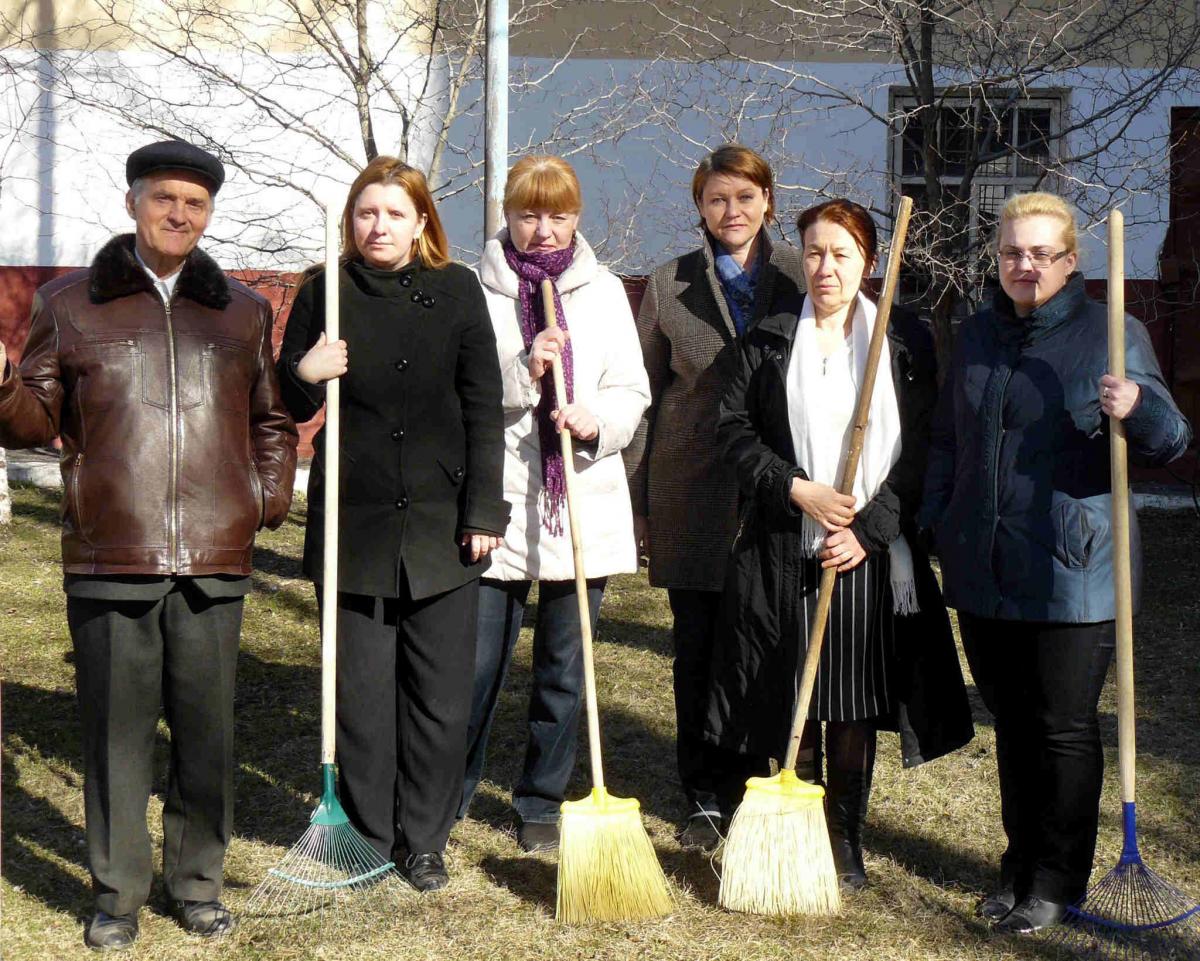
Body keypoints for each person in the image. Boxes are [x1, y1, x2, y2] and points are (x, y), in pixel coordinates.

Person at [0, 140, 298, 950]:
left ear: (209, 214)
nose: (179, 214)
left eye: (195, 203)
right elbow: (35, 422)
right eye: (164, 198)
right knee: (114, 738)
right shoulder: (70, 302)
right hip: (110, 555)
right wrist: (1, 383)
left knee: (208, 735)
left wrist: (264, 498)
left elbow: (270, 418)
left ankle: (196, 883)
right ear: (133, 202)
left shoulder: (241, 310)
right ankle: (117, 894)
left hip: (214, 558)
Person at [918, 192, 1191, 933]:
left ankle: (1057, 876)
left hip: (1075, 571)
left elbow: (1171, 440)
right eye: (1012, 252)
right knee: (1011, 721)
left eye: (1041, 253)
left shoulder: (1112, 333)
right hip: (985, 564)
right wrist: (938, 519)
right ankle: (1018, 863)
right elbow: (946, 437)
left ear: (1071, 262)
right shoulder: (974, 336)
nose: (1025, 264)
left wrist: (1136, 404)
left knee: (1061, 725)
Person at [707, 199, 973, 891]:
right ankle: (801, 827)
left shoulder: (903, 340)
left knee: (849, 700)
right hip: (783, 543)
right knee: (791, 692)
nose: (826, 268)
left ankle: (846, 840)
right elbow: (731, 430)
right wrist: (797, 488)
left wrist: (869, 528)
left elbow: (921, 450)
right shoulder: (767, 338)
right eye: (815, 253)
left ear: (870, 261)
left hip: (863, 553)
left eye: (842, 254)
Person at [276, 157, 509, 891]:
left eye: (395, 213)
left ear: (422, 222)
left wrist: (484, 511)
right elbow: (282, 397)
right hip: (355, 528)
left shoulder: (457, 290)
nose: (379, 226)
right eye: (366, 213)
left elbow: (483, 406)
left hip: (443, 527)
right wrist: (305, 372)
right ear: (350, 221)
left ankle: (425, 838)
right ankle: (369, 834)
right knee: (361, 698)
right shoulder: (326, 291)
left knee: (439, 699)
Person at [457, 155, 650, 853]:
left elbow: (632, 389)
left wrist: (595, 419)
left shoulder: (600, 293)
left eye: (558, 215)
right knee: (477, 664)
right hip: (500, 501)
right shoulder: (477, 290)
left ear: (577, 218)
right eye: (528, 214)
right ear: (507, 215)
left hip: (581, 501)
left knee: (565, 668)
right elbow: (464, 390)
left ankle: (540, 798)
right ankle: (451, 790)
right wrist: (524, 370)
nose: (543, 230)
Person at [622, 144, 806, 851]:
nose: (732, 212)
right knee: (696, 646)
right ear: (700, 206)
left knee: (765, 639)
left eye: (745, 197)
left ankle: (759, 778)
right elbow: (644, 393)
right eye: (717, 199)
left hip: (775, 484)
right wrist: (639, 501)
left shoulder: (798, 273)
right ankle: (700, 789)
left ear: (768, 201)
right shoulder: (671, 283)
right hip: (691, 487)